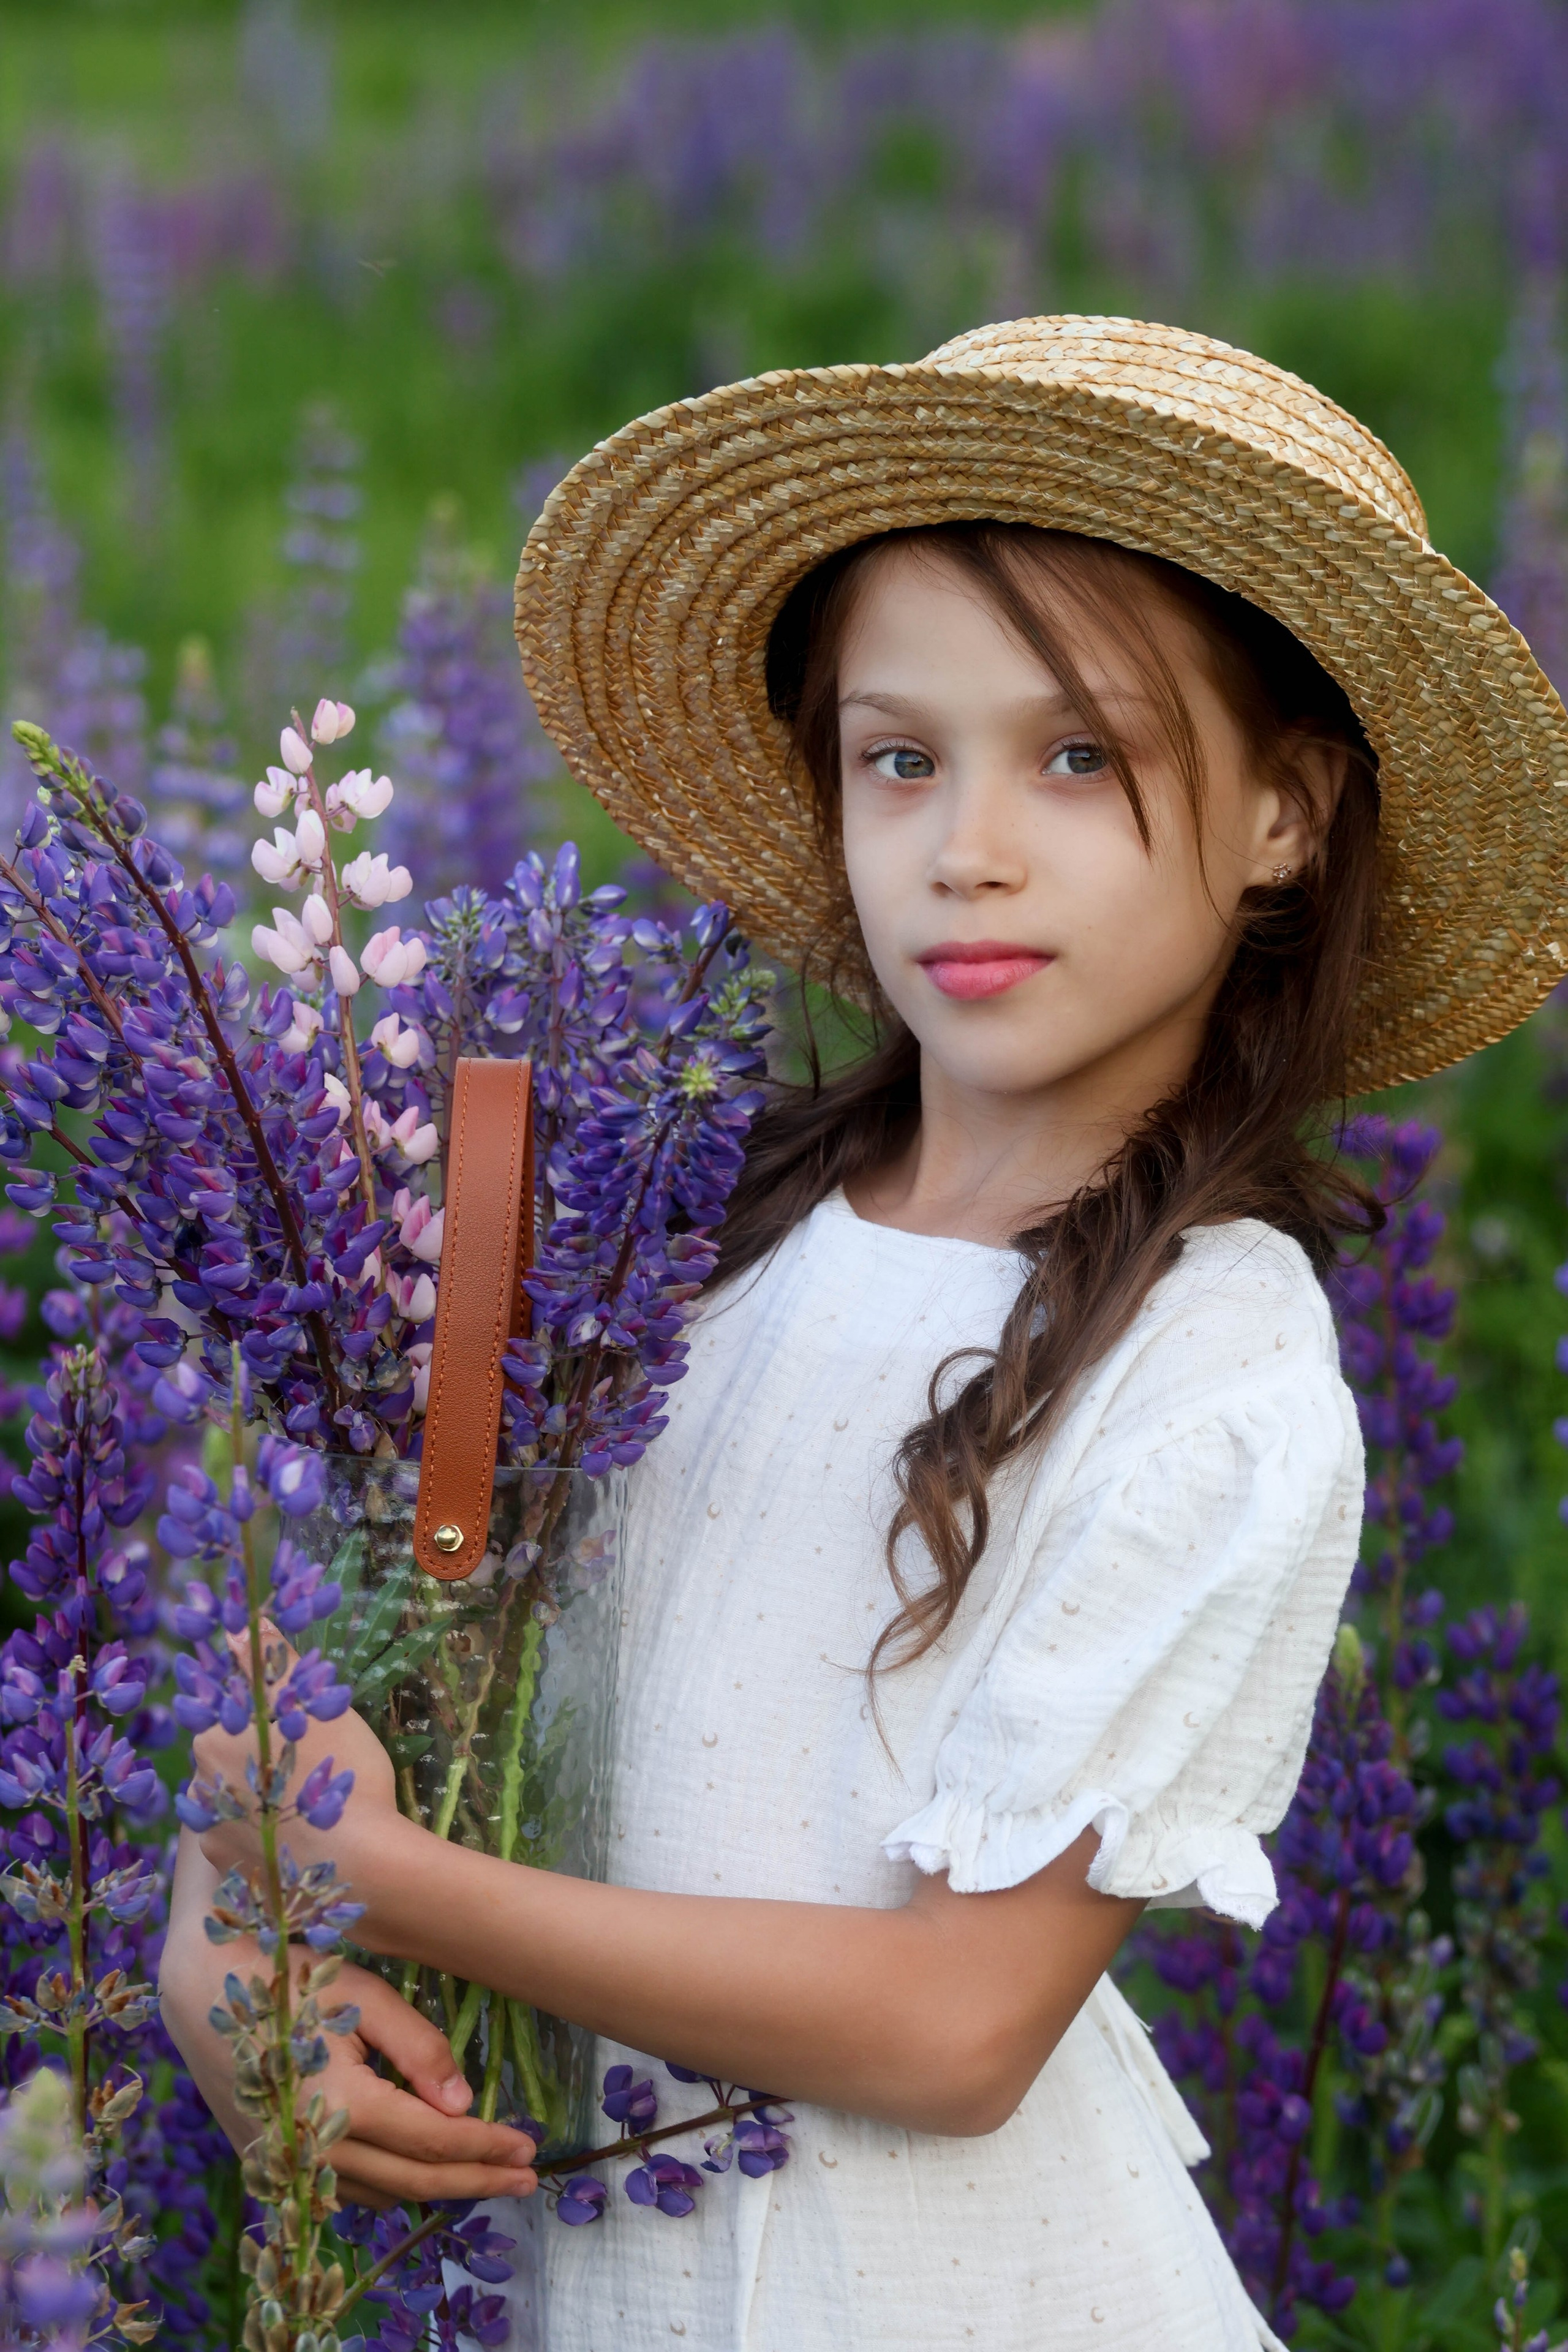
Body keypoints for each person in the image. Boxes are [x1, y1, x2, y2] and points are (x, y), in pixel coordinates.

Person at [159, 316, 1568, 2350]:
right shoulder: (662, 1226)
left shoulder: (1218, 1374)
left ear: (1287, 816)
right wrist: (235, 1941)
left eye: (1080, 755)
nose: (965, 843)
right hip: (566, 2257)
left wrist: (371, 1878)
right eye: (900, 754)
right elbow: (349, 1636)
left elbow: (953, 2023)